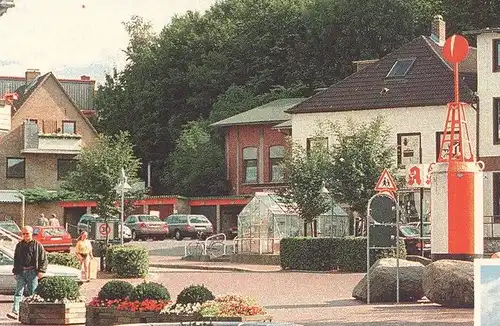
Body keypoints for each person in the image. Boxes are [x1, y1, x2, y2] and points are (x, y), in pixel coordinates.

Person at [7, 226, 47, 320]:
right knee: (18, 292)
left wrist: (41, 271)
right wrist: (16, 272)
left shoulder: (37, 245)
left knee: (33, 293)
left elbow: (43, 258)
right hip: (21, 271)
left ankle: (35, 313)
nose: (25, 235)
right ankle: (15, 312)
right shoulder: (19, 245)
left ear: (31, 233)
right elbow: (16, 259)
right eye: (23, 234)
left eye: (27, 233)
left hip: (32, 272)